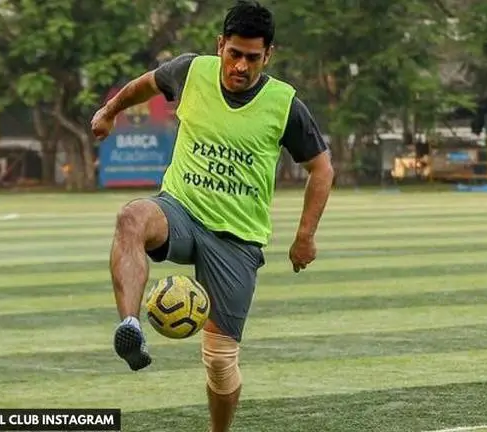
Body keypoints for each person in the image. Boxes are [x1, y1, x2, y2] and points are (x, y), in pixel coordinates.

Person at [90, 1, 334, 431]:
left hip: (236, 239)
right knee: (131, 217)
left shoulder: (284, 104)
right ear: (220, 45)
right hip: (180, 210)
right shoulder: (191, 71)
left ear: (268, 55)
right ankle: (130, 324)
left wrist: (305, 237)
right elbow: (144, 85)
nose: (241, 66)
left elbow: (321, 167)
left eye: (252, 58)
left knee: (220, 361)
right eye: (234, 53)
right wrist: (110, 111)